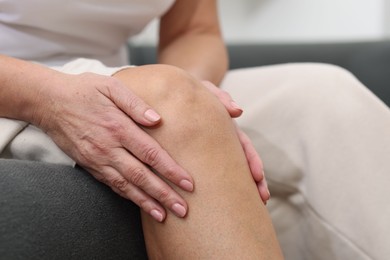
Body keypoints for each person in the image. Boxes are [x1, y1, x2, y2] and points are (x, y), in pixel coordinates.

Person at [0, 0, 389, 259]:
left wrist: (198, 94)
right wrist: (47, 97)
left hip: (115, 79)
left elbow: (194, 31)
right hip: (15, 88)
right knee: (169, 109)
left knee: (323, 97)